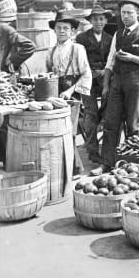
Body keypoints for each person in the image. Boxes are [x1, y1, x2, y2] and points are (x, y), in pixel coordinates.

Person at [101, 0, 139, 169]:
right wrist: (105, 85)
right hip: (117, 82)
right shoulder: (117, 34)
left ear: (138, 15)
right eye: (123, 13)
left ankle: (132, 166)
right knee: (110, 123)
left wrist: (133, 58)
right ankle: (108, 164)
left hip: (137, 83)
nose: (125, 16)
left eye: (129, 13)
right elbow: (110, 62)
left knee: (134, 125)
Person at [46, 11, 92, 174]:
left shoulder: (77, 49)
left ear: (73, 32)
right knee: (56, 132)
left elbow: (86, 74)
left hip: (72, 94)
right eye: (59, 28)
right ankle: (62, 169)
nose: (62, 31)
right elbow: (48, 75)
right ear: (54, 30)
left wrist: (70, 90)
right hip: (55, 94)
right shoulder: (50, 52)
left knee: (69, 132)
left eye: (66, 28)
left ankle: (75, 169)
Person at [75, 5, 114, 164]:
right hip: (87, 80)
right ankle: (92, 151)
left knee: (107, 113)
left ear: (105, 21)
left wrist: (105, 72)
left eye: (101, 19)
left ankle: (107, 149)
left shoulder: (110, 39)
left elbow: (111, 61)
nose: (98, 22)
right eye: (95, 19)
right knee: (90, 114)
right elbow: (79, 61)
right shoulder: (82, 38)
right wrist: (91, 72)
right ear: (90, 21)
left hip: (104, 80)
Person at [0, 11, 37, 165]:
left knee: (4, 121)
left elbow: (29, 46)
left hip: (3, 81)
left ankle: (8, 159)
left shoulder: (5, 30)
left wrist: (12, 62)